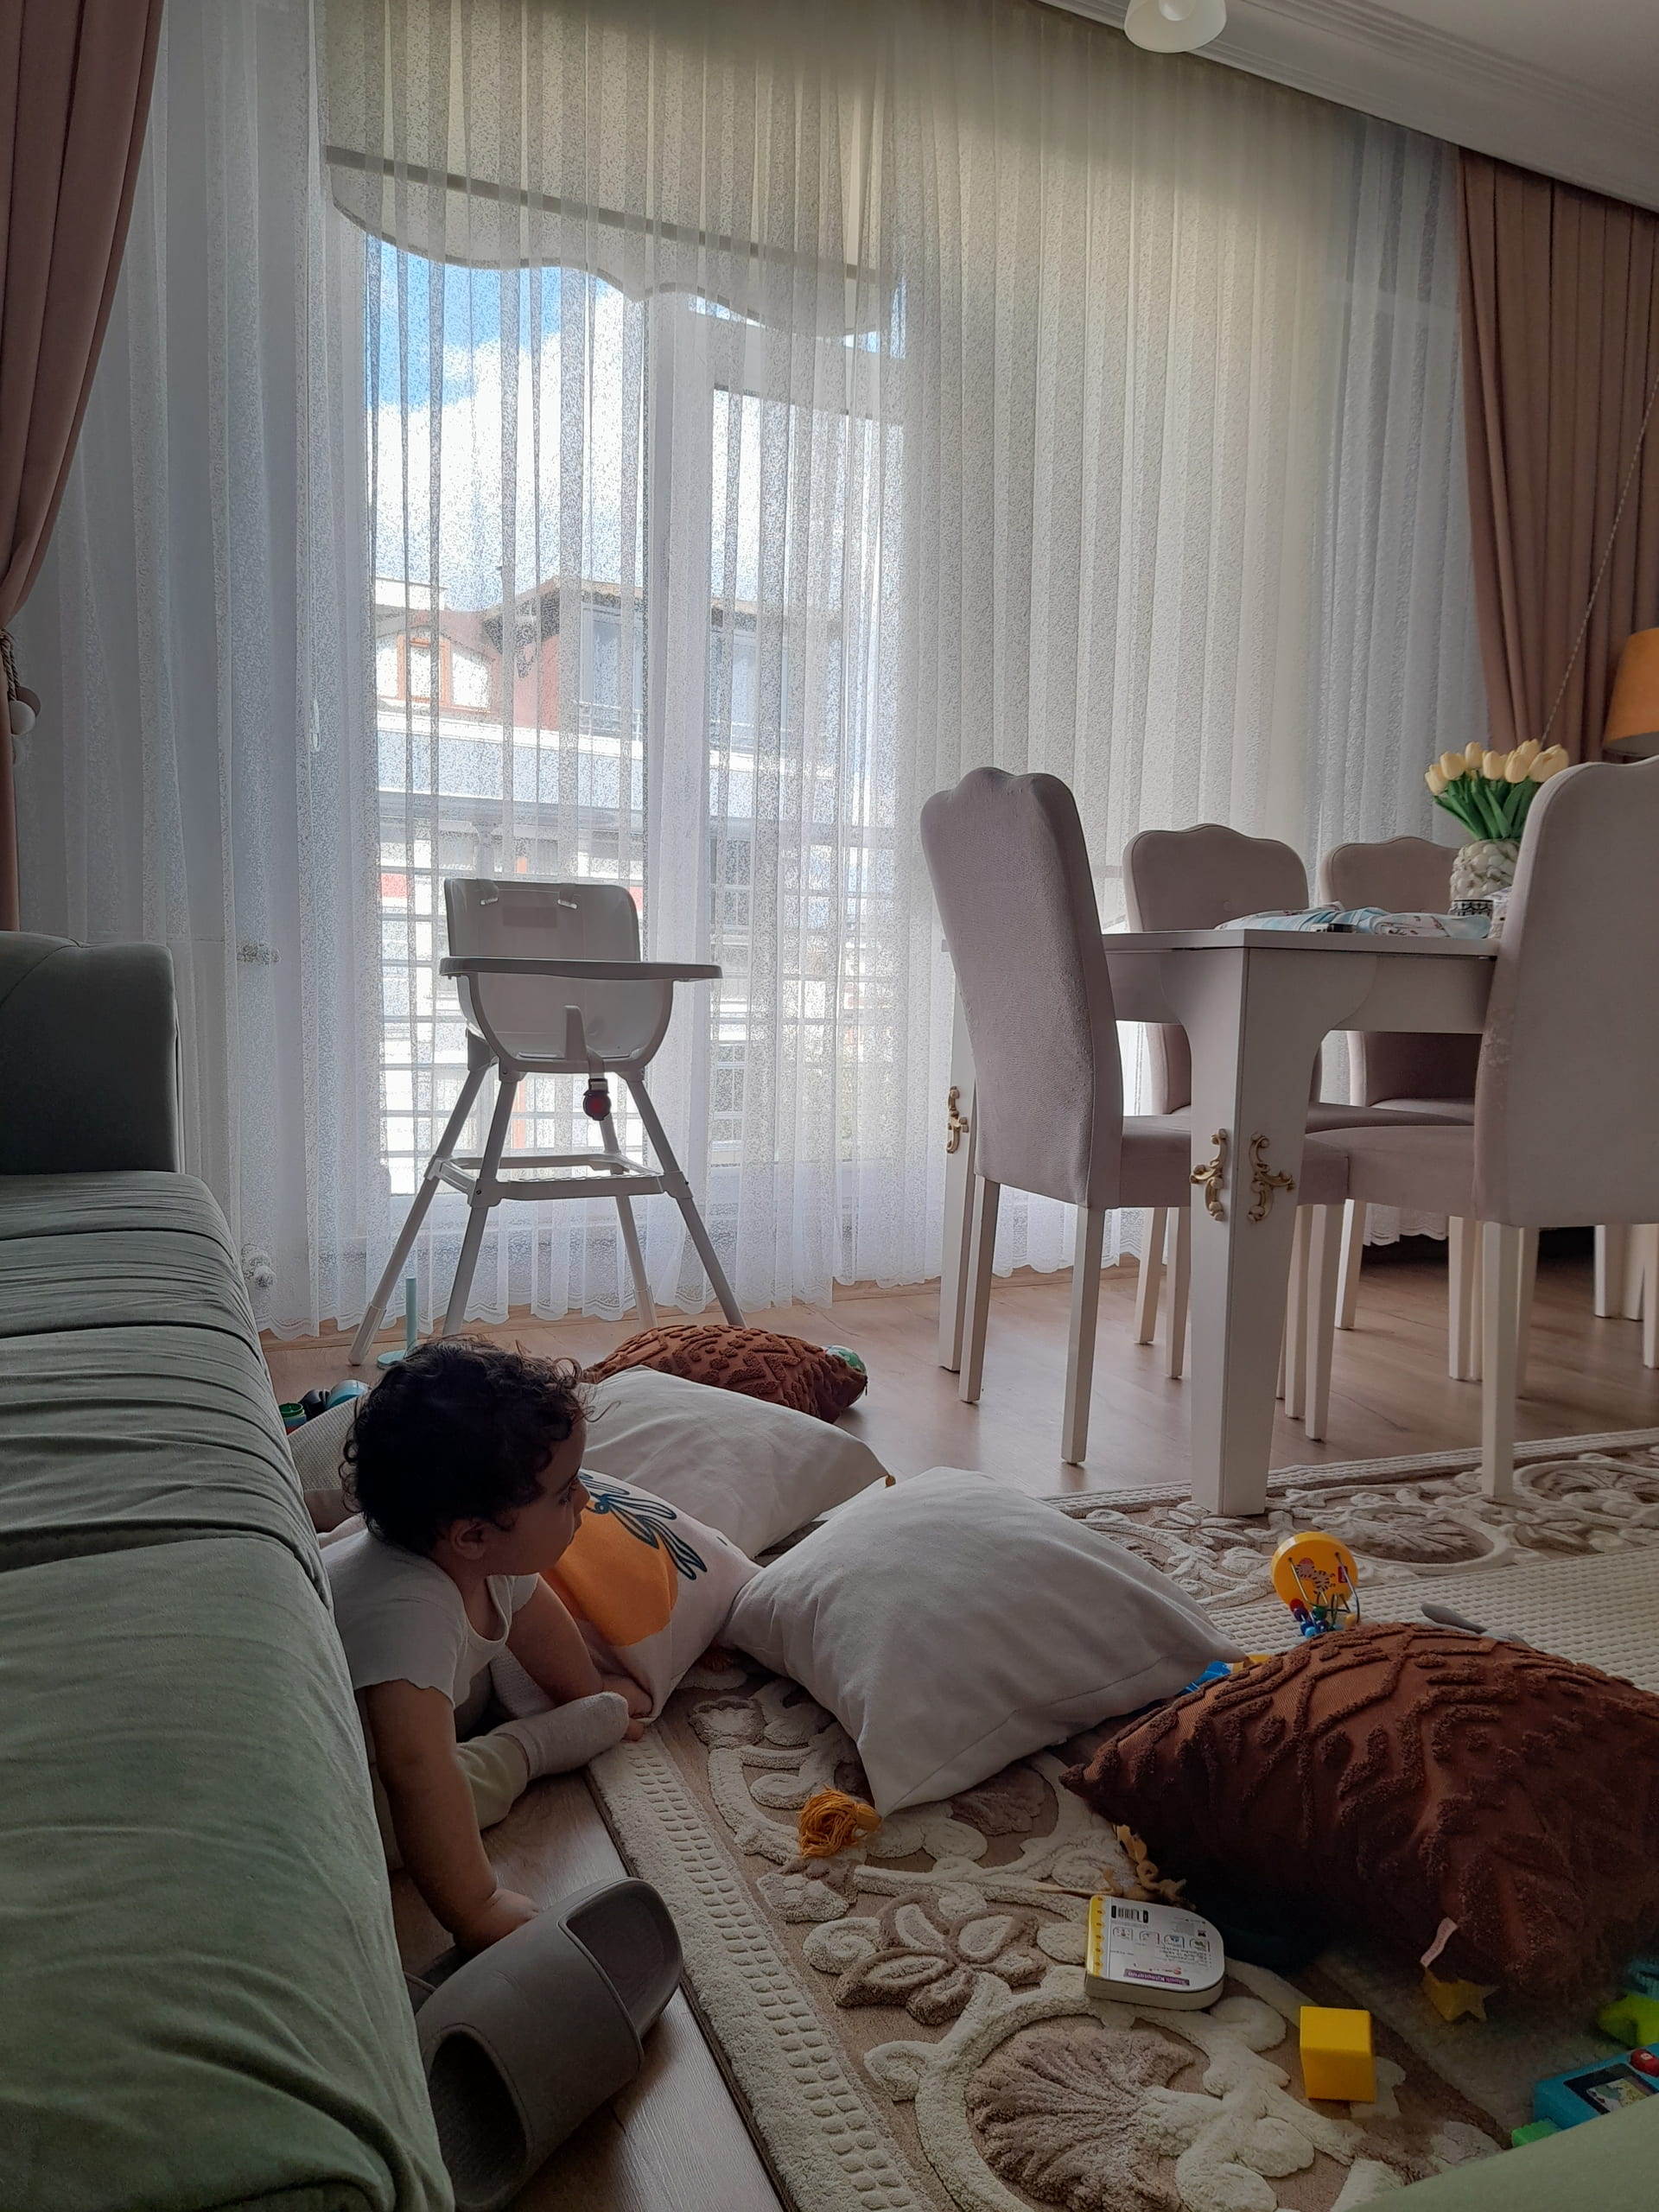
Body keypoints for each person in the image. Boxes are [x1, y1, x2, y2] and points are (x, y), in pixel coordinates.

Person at [325, 1337, 651, 1951]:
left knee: (456, 1728)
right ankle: (532, 1747)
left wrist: (588, 1689)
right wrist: (477, 1907)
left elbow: (541, 1626)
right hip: (342, 1779)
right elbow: (415, 1771)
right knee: (405, 1811)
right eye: (564, 1493)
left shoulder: (484, 1556)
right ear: (473, 1535)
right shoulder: (410, 1614)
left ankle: (554, 1722)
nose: (584, 1499)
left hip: (412, 1725)